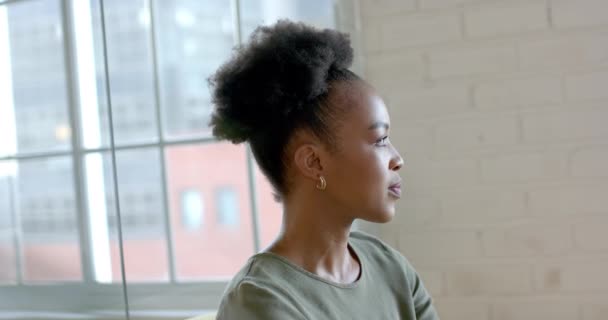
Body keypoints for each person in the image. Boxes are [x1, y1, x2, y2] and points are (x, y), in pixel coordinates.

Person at [209, 20, 439, 320]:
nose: (397, 159)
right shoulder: (259, 300)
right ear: (314, 162)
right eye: (380, 140)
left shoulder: (390, 267)